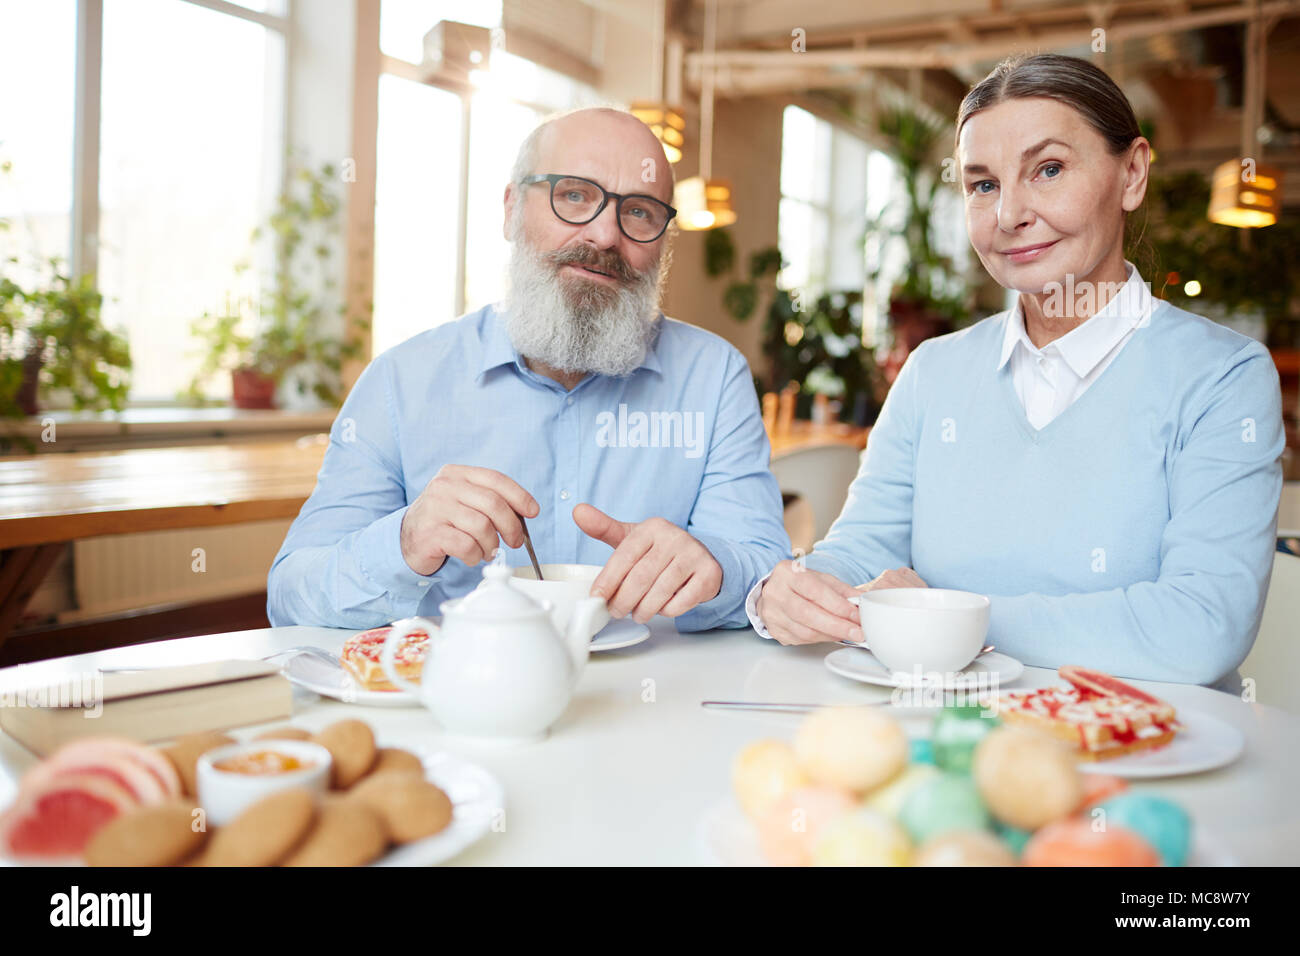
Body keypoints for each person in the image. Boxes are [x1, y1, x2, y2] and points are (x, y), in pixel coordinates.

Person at [749, 54, 1284, 689]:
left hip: (1139, 756)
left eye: (1049, 170)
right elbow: (863, 553)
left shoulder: (1223, 378)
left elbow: (1201, 628)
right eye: (982, 185)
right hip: (939, 745)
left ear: (1133, 174)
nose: (1009, 215)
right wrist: (788, 592)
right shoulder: (933, 372)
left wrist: (948, 617)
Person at [268, 107, 789, 632]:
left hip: (653, 698)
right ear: (512, 208)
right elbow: (292, 599)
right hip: (460, 701)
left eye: (639, 212)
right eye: (575, 195)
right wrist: (403, 544)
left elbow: (767, 575)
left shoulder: (715, 376)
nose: (606, 235)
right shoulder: (401, 382)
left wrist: (716, 568)